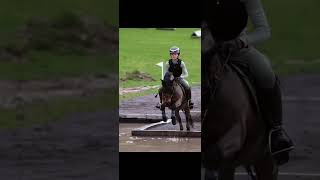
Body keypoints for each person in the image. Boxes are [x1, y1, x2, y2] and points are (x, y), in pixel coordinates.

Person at [203, 0, 294, 157]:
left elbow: (264, 30)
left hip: (239, 49)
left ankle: (276, 130)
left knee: (266, 73)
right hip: (207, 48)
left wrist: (241, 41)